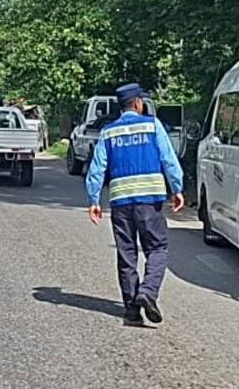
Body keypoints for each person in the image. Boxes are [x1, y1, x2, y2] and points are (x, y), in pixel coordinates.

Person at [85, 83, 185, 327]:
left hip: (121, 202)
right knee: (157, 248)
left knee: (126, 254)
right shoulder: (153, 125)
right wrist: (177, 188)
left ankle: (131, 311)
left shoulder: (108, 132)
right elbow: (169, 160)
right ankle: (148, 292)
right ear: (138, 103)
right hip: (150, 200)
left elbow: (97, 169)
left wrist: (94, 200)